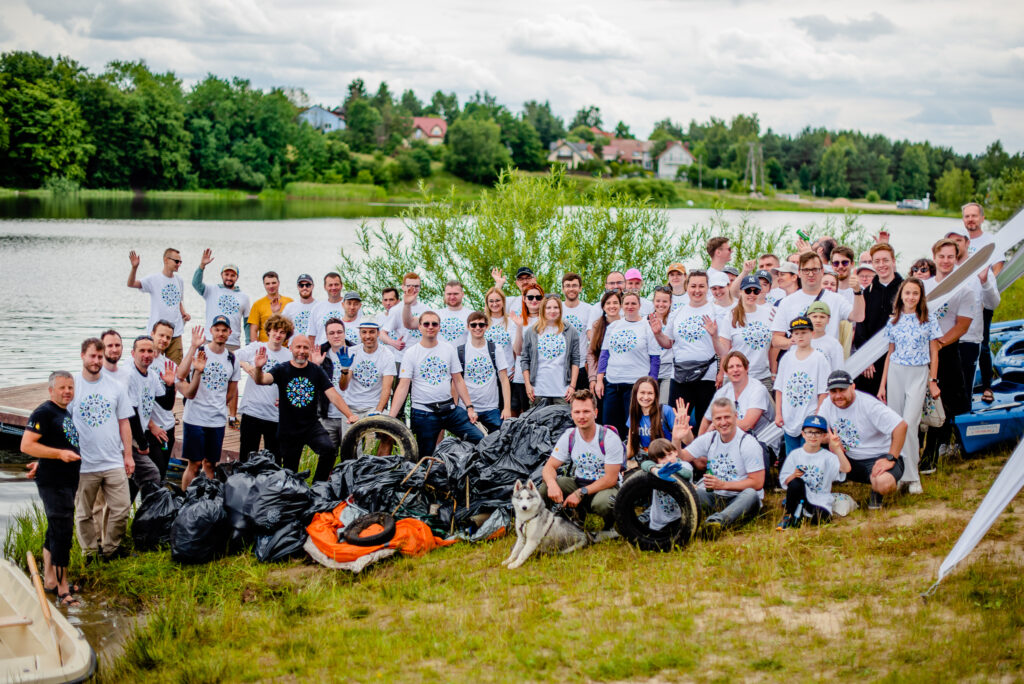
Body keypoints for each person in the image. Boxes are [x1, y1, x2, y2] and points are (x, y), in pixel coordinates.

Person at [249, 335, 358, 481]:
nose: (301, 351)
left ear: (310, 350)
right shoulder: (282, 369)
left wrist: (349, 415)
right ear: (291, 349)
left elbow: (333, 395)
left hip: (311, 426)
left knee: (329, 450)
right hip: (289, 429)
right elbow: (261, 380)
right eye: (298, 347)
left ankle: (318, 486)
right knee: (290, 472)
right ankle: (294, 495)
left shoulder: (316, 371)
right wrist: (258, 367)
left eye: (305, 347)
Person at [21, 371, 82, 605]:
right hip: (54, 483)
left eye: (70, 387)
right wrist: (56, 455)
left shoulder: (62, 412)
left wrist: (44, 459)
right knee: (62, 533)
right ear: (51, 390)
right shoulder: (44, 412)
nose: (67, 391)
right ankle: (63, 589)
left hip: (65, 481)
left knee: (54, 531)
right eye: (62, 388)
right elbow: (27, 444)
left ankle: (49, 580)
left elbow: (50, 444)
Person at [70, 338, 134, 561]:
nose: (96, 361)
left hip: (113, 460)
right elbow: (63, 421)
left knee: (122, 507)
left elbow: (124, 422)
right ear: (82, 356)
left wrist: (128, 455)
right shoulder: (72, 386)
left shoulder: (115, 387)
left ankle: (109, 549)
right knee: (84, 512)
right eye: (92, 356)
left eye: (99, 356)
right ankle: (89, 552)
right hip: (84, 463)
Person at [389, 311, 483, 457]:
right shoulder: (411, 353)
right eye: (426, 324)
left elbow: (458, 380)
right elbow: (403, 386)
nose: (430, 327)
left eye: (434, 324)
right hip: (424, 413)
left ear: (439, 327)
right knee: (424, 456)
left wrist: (469, 407)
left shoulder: (448, 349)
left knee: (480, 439)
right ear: (419, 327)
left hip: (450, 410)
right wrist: (391, 417)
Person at [877, 277, 940, 494]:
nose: (911, 297)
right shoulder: (893, 321)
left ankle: (913, 477)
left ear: (920, 296)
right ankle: (901, 474)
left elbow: (934, 352)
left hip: (918, 373)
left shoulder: (929, 320)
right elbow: (889, 353)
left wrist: (933, 380)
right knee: (897, 425)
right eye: (907, 293)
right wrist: (882, 384)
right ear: (901, 295)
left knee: (911, 423)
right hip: (896, 372)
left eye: (915, 293)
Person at [921, 239, 975, 472]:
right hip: (920, 351)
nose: (945, 261)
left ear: (956, 258)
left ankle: (930, 456)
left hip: (947, 349)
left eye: (950, 257)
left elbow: (962, 325)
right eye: (941, 256)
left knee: (940, 403)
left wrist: (939, 344)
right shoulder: (924, 286)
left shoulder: (965, 288)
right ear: (934, 257)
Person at [817, 370, 908, 509]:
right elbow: (818, 432)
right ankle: (817, 499)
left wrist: (891, 458)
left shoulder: (869, 405)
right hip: (849, 459)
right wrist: (831, 441)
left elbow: (901, 426)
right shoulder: (827, 403)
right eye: (833, 391)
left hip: (878, 456)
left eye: (842, 390)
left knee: (883, 484)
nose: (838, 396)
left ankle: (880, 488)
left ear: (852, 387)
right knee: (810, 446)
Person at [678, 398, 765, 538]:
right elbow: (681, 457)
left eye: (727, 417)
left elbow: (757, 483)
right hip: (714, 497)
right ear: (713, 420)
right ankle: (658, 519)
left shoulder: (748, 443)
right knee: (687, 492)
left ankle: (715, 523)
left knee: (751, 494)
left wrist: (723, 485)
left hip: (740, 498)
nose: (723, 422)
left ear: (736, 416)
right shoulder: (710, 438)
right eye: (718, 418)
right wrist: (677, 439)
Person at [539, 389, 623, 528]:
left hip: (605, 487)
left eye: (586, 411)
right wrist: (552, 484)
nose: (581, 416)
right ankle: (546, 525)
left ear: (595, 413)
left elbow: (610, 479)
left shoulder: (609, 438)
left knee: (602, 503)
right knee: (546, 486)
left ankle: (613, 525)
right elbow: (549, 467)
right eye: (577, 412)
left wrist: (580, 492)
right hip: (579, 482)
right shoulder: (569, 435)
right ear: (571, 414)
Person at [176, 319, 240, 489]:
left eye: (224, 330)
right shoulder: (200, 352)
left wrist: (218, 403)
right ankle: (185, 501)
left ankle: (209, 501)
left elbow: (232, 391)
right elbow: (180, 375)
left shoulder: (232, 358)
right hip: (194, 418)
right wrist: (192, 347)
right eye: (217, 329)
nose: (220, 333)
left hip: (216, 420)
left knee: (210, 464)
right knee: (194, 464)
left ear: (229, 333)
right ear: (211, 331)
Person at [652, 270, 718, 427]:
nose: (697, 290)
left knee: (705, 423)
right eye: (693, 285)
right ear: (687, 287)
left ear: (707, 288)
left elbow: (724, 348)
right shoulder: (677, 313)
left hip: (706, 376)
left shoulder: (716, 311)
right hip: (680, 376)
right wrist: (658, 333)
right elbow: (668, 343)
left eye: (701, 286)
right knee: (676, 423)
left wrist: (714, 336)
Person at [595, 291, 662, 435]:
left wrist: (652, 383)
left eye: (633, 303)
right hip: (612, 383)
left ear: (639, 305)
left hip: (635, 385)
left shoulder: (646, 326)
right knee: (610, 427)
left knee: (632, 428)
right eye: (626, 303)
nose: (630, 306)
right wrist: (599, 379)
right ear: (622, 306)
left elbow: (655, 358)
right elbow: (604, 354)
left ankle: (632, 455)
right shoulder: (613, 326)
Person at [772, 252, 863, 345]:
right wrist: (793, 341)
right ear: (799, 272)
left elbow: (858, 317)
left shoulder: (836, 299)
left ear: (822, 271)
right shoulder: (787, 302)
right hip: (799, 357)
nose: (811, 274)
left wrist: (857, 292)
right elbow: (776, 339)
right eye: (806, 270)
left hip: (827, 357)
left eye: (815, 269)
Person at [777, 415, 851, 530]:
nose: (813, 436)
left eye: (818, 433)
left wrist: (837, 449)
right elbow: (785, 481)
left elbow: (846, 469)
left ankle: (803, 514)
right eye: (809, 432)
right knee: (796, 482)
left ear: (824, 436)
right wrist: (793, 476)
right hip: (801, 495)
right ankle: (790, 515)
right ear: (803, 434)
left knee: (821, 519)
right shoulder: (795, 455)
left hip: (820, 500)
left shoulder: (828, 457)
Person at [236, 314, 294, 459]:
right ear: (268, 331)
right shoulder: (256, 347)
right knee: (246, 456)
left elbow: (294, 383)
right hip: (252, 410)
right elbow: (231, 356)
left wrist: (287, 399)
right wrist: (245, 364)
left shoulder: (289, 356)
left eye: (282, 332)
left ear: (286, 336)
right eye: (275, 330)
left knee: (274, 458)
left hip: (275, 415)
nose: (278, 335)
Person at [124, 335, 175, 499]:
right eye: (142, 351)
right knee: (144, 477)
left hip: (142, 433)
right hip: (130, 436)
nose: (146, 355)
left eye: (150, 351)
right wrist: (142, 442)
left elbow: (166, 404)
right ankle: (138, 515)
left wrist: (170, 385)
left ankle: (146, 515)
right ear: (133, 353)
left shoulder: (151, 376)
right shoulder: (130, 375)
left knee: (152, 476)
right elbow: (131, 413)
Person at [963, 202, 1005, 403]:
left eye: (974, 216)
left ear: (982, 218)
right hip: (963, 301)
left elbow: (998, 265)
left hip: (982, 300)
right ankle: (961, 386)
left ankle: (987, 386)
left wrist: (986, 286)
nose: (970, 219)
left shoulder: (991, 241)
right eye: (967, 216)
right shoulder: (960, 241)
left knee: (984, 343)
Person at [774, 317, 830, 455]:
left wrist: (818, 414)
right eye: (796, 333)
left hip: (809, 416)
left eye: (803, 332)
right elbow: (779, 388)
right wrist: (778, 414)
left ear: (812, 333)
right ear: (792, 335)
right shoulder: (786, 358)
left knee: (809, 456)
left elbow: (823, 392)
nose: (800, 336)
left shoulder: (819, 358)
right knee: (792, 457)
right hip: (789, 417)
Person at [853, 243, 903, 395]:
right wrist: (866, 359)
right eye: (877, 261)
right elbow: (861, 327)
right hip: (872, 362)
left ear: (893, 261)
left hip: (899, 358)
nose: (881, 265)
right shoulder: (867, 293)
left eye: (885, 260)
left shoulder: (905, 290)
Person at [127, 248, 189, 363]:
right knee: (152, 365)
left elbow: (178, 301)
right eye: (176, 261)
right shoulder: (153, 279)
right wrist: (134, 267)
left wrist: (184, 313)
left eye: (180, 262)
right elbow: (131, 284)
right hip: (156, 334)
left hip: (175, 333)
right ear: (166, 260)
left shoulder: (179, 280)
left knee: (175, 369)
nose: (179, 264)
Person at [337, 319, 396, 438]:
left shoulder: (387, 354)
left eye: (372, 332)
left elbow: (386, 388)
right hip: (351, 407)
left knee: (386, 435)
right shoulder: (352, 352)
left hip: (372, 407)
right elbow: (343, 387)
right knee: (350, 447)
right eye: (364, 332)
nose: (368, 336)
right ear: (360, 334)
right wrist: (344, 369)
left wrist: (378, 411)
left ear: (378, 333)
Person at [522, 295, 581, 407]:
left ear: (560, 310)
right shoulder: (532, 332)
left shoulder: (570, 330)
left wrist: (572, 386)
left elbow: (575, 360)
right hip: (538, 391)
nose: (552, 311)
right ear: (543, 310)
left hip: (562, 391)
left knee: (563, 423)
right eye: (548, 308)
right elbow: (525, 360)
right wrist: (528, 385)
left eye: (556, 307)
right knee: (537, 423)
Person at [718, 275, 773, 391]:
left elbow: (773, 347)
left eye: (756, 291)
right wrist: (722, 374)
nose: (752, 294)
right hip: (736, 376)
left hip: (762, 377)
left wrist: (774, 372)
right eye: (748, 290)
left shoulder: (770, 313)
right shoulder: (731, 316)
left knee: (767, 409)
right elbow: (724, 351)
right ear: (741, 292)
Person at [459, 311, 511, 433]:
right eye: (473, 325)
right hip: (468, 409)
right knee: (468, 447)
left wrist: (507, 407)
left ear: (486, 327)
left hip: (491, 409)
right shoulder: (461, 351)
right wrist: (457, 409)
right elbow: (457, 382)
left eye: (481, 325)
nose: (477, 328)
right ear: (468, 327)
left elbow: (504, 379)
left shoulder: (495, 349)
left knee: (495, 444)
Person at [700, 351, 773, 437]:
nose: (735, 370)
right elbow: (706, 420)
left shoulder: (758, 389)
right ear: (726, 372)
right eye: (731, 367)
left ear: (747, 368)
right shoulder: (722, 392)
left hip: (762, 441)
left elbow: (747, 426)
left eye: (739, 366)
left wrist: (716, 424)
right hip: (733, 439)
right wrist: (700, 443)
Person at [192, 249, 251, 350]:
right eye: (226, 274)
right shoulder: (211, 290)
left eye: (233, 275)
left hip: (232, 343)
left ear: (237, 277)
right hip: (210, 340)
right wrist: (202, 266)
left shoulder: (244, 297)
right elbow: (196, 284)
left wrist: (248, 344)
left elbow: (247, 323)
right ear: (221, 275)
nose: (229, 278)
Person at [624, 376, 690, 464]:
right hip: (645, 459)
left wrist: (685, 426)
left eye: (650, 393)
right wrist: (618, 463)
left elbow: (688, 442)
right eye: (642, 393)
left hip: (666, 458)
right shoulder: (634, 414)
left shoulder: (666, 411)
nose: (646, 397)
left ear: (656, 395)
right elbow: (631, 449)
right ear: (636, 394)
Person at [314, 318, 358, 449]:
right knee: (326, 456)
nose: (336, 335)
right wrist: (315, 365)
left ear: (345, 333)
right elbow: (311, 384)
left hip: (351, 413)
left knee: (352, 455)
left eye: (339, 332)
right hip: (327, 415)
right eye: (331, 333)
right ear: (326, 335)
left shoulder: (356, 351)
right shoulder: (319, 353)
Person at [147, 320, 178, 480]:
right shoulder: (139, 362)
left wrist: (170, 386)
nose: (164, 340)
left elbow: (168, 404)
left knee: (160, 476)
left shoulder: (169, 365)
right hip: (149, 429)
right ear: (152, 334)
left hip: (167, 428)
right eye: (161, 335)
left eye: (168, 337)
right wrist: (151, 425)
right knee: (148, 476)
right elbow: (133, 403)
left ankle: (155, 505)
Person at [511, 283, 545, 414]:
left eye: (538, 297)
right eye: (530, 297)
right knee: (525, 416)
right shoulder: (518, 320)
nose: (534, 300)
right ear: (524, 299)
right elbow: (518, 351)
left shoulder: (549, 320)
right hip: (522, 376)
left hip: (543, 376)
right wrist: (519, 326)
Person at [586, 290, 622, 399]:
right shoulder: (597, 325)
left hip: (621, 375)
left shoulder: (625, 324)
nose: (612, 306)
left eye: (615, 303)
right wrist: (593, 379)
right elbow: (592, 353)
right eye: (608, 303)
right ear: (603, 306)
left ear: (620, 305)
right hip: (602, 378)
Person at [561, 273, 592, 390]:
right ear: (563, 289)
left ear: (580, 288)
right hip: (560, 366)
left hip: (581, 366)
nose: (571, 288)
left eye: (574, 285)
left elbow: (592, 338)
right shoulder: (556, 308)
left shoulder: (589, 309)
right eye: (567, 286)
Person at [482, 286, 516, 385]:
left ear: (503, 301)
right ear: (487, 303)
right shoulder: (481, 322)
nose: (494, 304)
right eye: (491, 301)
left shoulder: (511, 321)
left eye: (497, 300)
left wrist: (517, 368)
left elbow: (516, 348)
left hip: (508, 375)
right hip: (488, 376)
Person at [248, 271, 293, 343]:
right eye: (267, 284)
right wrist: (255, 348)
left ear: (279, 283)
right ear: (264, 285)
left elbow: (294, 327)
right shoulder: (257, 304)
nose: (271, 286)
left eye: (274, 283)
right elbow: (253, 330)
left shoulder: (290, 302)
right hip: (265, 346)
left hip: (285, 347)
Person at [651, 286, 676, 403]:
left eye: (665, 301)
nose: (661, 304)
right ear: (653, 301)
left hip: (669, 370)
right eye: (658, 301)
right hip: (650, 370)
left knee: (663, 407)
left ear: (670, 302)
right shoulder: (646, 321)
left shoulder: (674, 320)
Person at [307, 273, 344, 346]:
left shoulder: (351, 306)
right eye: (330, 285)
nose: (333, 288)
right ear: (325, 287)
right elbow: (311, 336)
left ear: (341, 285)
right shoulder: (317, 308)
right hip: (322, 353)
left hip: (346, 352)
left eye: (336, 284)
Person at [807, 302, 845, 371]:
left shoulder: (834, 344)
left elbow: (838, 371)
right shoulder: (800, 341)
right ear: (808, 318)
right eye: (814, 316)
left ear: (828, 320)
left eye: (822, 317)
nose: (818, 320)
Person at [437, 280, 471, 346]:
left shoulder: (471, 315)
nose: (452, 297)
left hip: (464, 355)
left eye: (455, 294)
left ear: (462, 294)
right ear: (444, 294)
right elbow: (412, 324)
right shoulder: (435, 315)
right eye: (449, 294)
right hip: (441, 355)